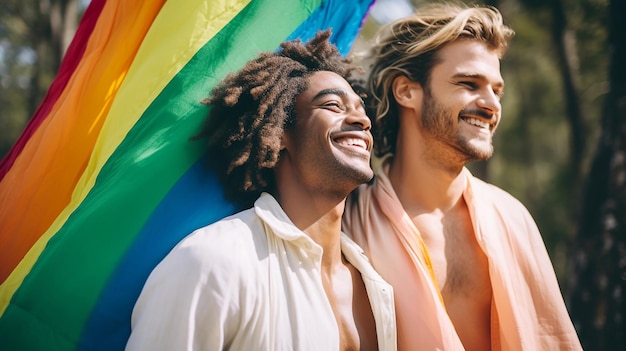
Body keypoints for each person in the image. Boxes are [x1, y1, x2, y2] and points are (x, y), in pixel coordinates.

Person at [126, 30, 396, 351]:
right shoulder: (213, 262)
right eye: (333, 105)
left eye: (361, 108)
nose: (360, 120)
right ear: (279, 133)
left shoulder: (378, 280)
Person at [342, 3, 583, 351]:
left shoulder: (512, 217)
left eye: (496, 90)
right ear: (406, 91)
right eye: (470, 83)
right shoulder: (349, 225)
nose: (491, 104)